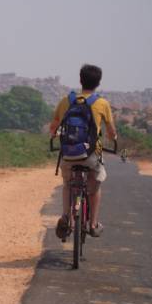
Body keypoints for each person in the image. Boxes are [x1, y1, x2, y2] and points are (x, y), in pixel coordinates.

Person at [49, 64, 117, 238]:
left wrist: (55, 135)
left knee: (67, 184)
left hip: (69, 154)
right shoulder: (102, 103)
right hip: (92, 154)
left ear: (80, 80)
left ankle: (66, 216)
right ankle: (93, 224)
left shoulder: (66, 101)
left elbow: (53, 127)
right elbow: (111, 132)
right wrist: (114, 139)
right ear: (98, 83)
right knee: (95, 185)